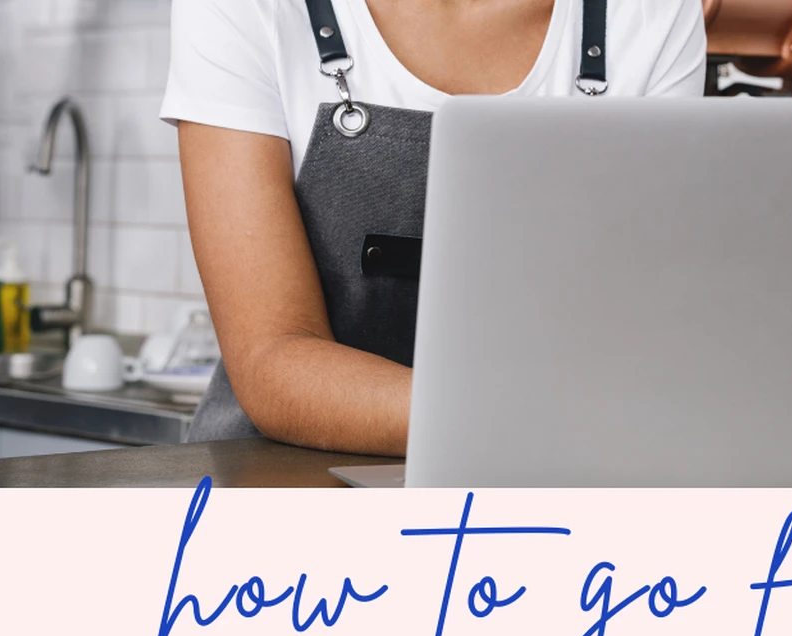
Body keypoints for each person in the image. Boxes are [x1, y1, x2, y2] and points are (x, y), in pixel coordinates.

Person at [161, 0, 708, 456]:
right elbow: (273, 356)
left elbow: (638, 334)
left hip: (547, 486)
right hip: (284, 498)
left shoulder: (650, 13)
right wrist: (531, 420)